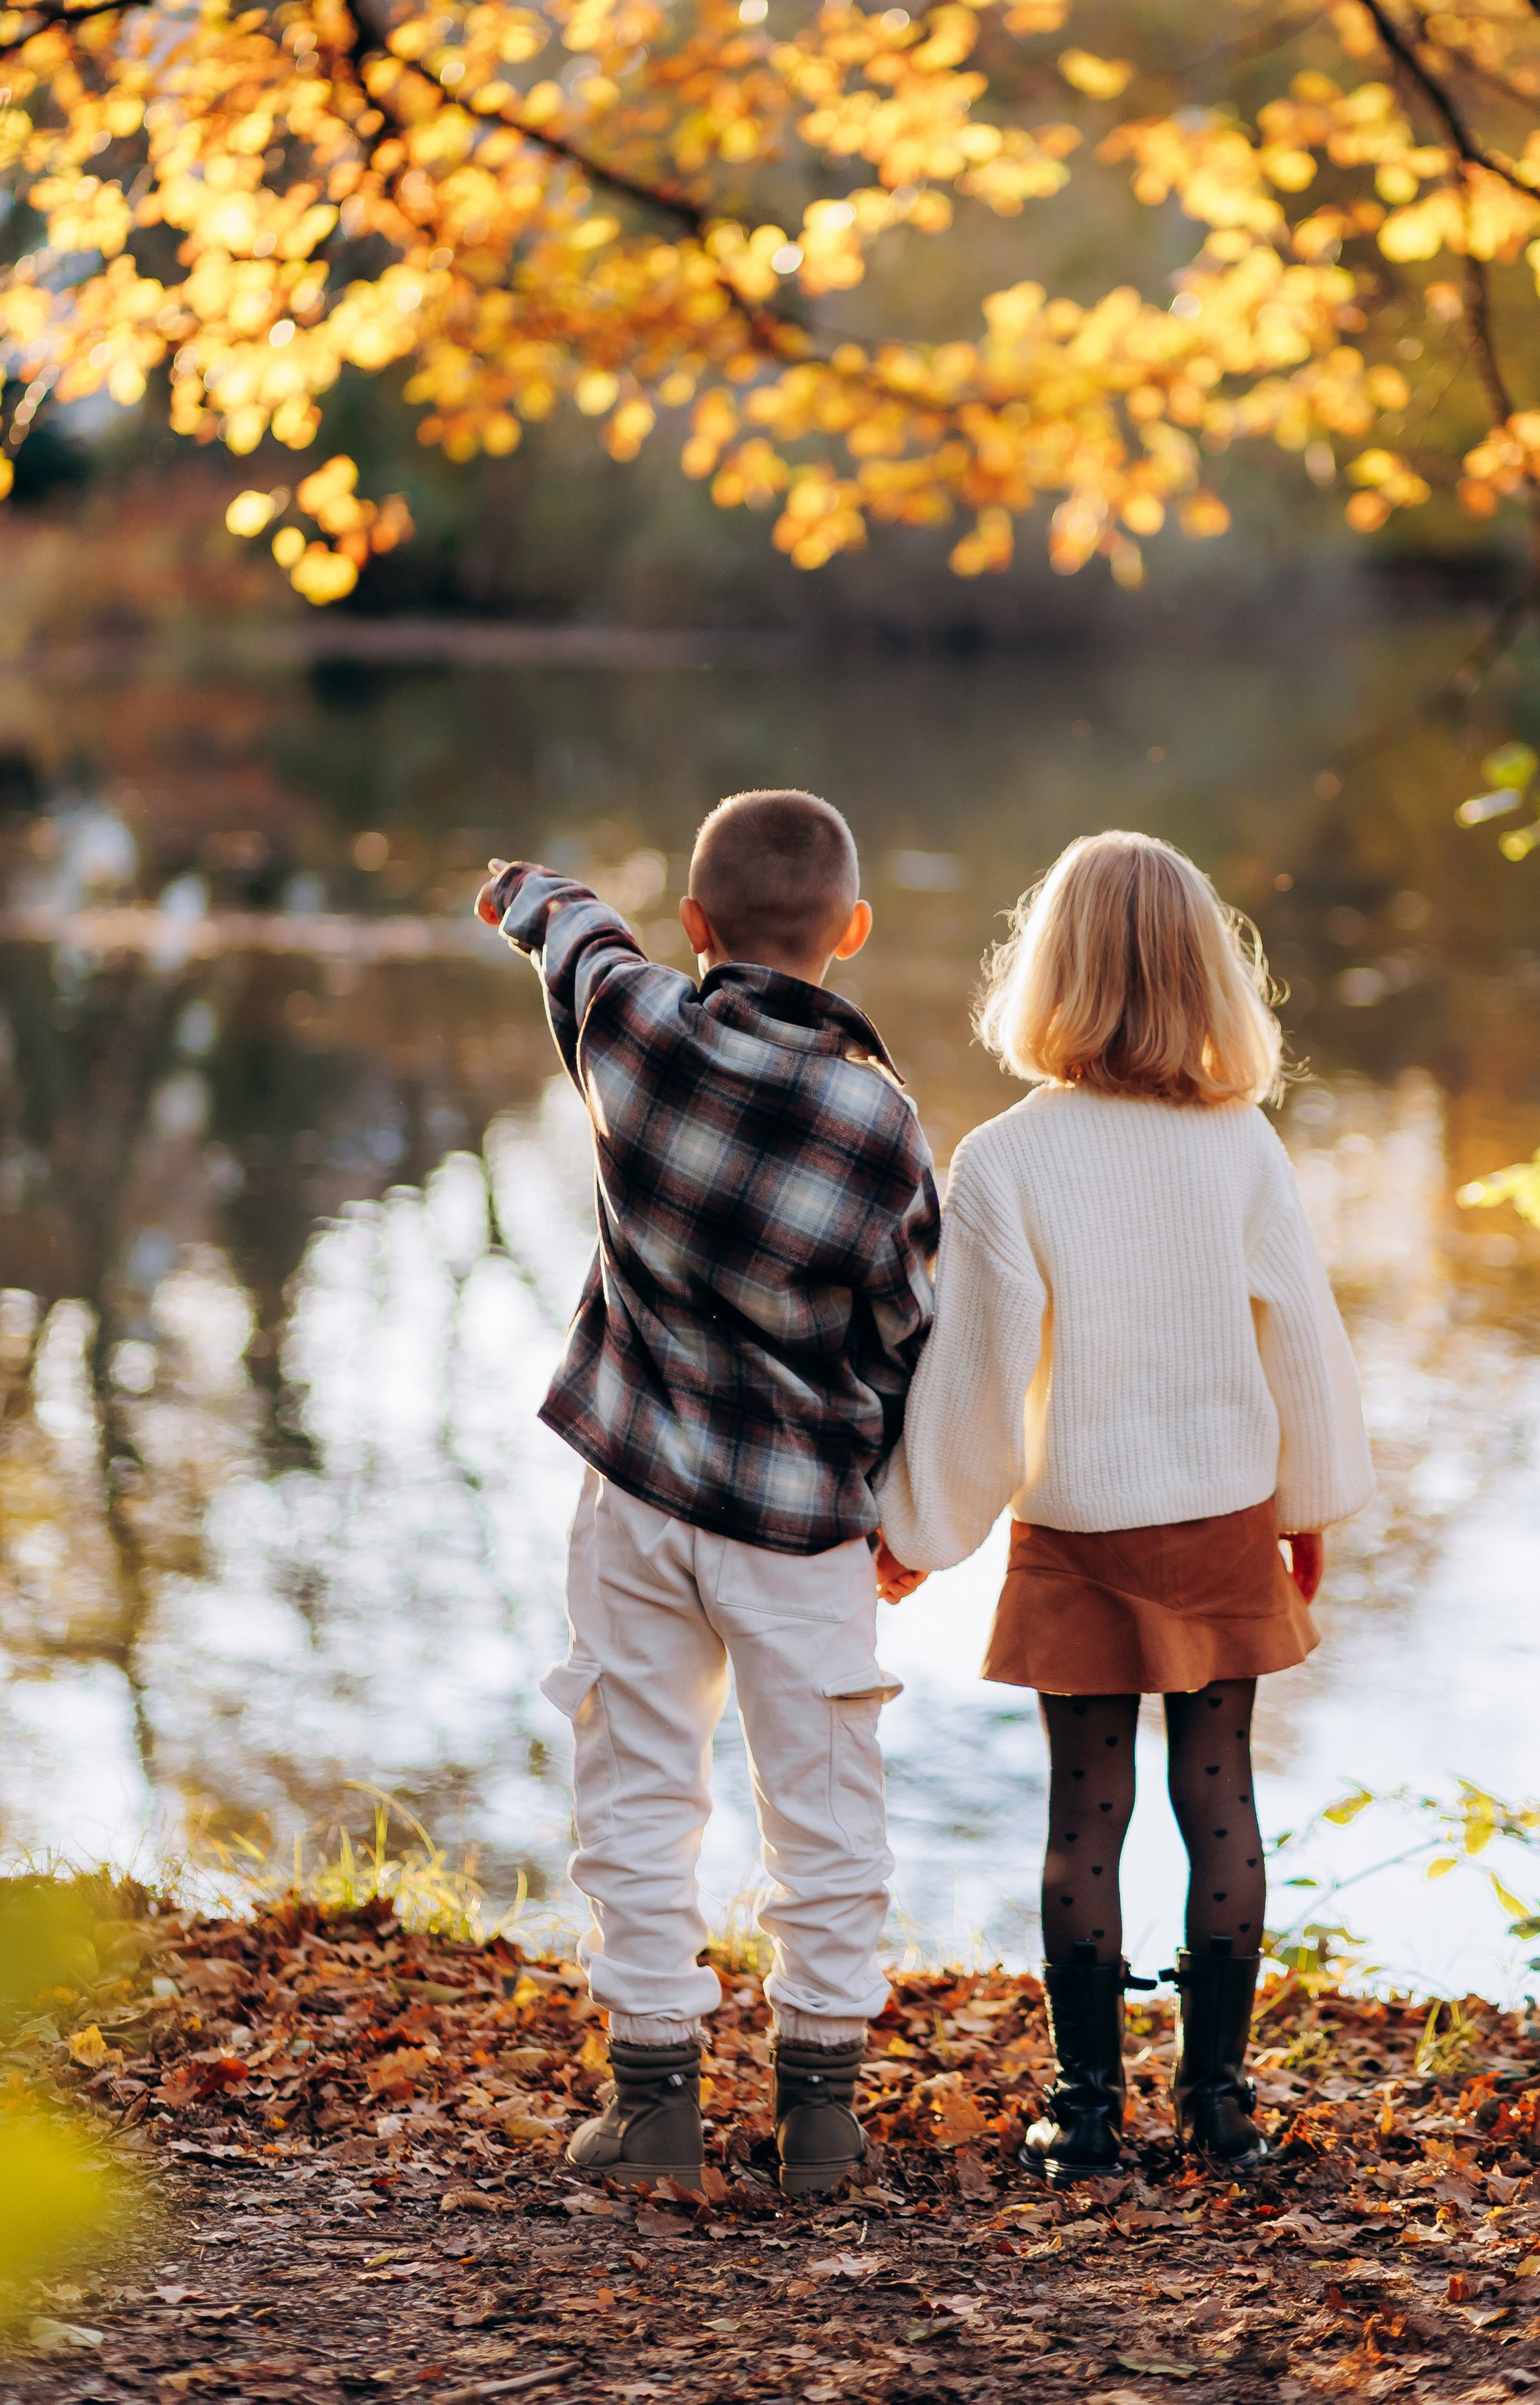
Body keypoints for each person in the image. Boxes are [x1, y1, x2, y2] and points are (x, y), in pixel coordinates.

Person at [874, 830, 1373, 2185]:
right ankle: (1221, 2105)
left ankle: (1083, 2108)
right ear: (1207, 975)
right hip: (1219, 1515)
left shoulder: (1009, 1159)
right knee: (1221, 1804)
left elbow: (976, 1379)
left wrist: (916, 1529)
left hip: (1081, 1528)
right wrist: (1309, 1501)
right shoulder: (1239, 1148)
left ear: (1052, 973)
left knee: (1081, 1818)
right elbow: (1303, 1340)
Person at [477, 791, 939, 2198]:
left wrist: (516, 889)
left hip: (636, 1495)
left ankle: (655, 2102)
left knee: (635, 1776)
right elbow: (910, 1333)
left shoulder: (637, 1029)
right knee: (825, 1797)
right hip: (800, 1524)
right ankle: (821, 2117)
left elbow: (563, 923)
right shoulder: (880, 1124)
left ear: (696, 928)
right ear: (851, 935)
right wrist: (902, 1513)